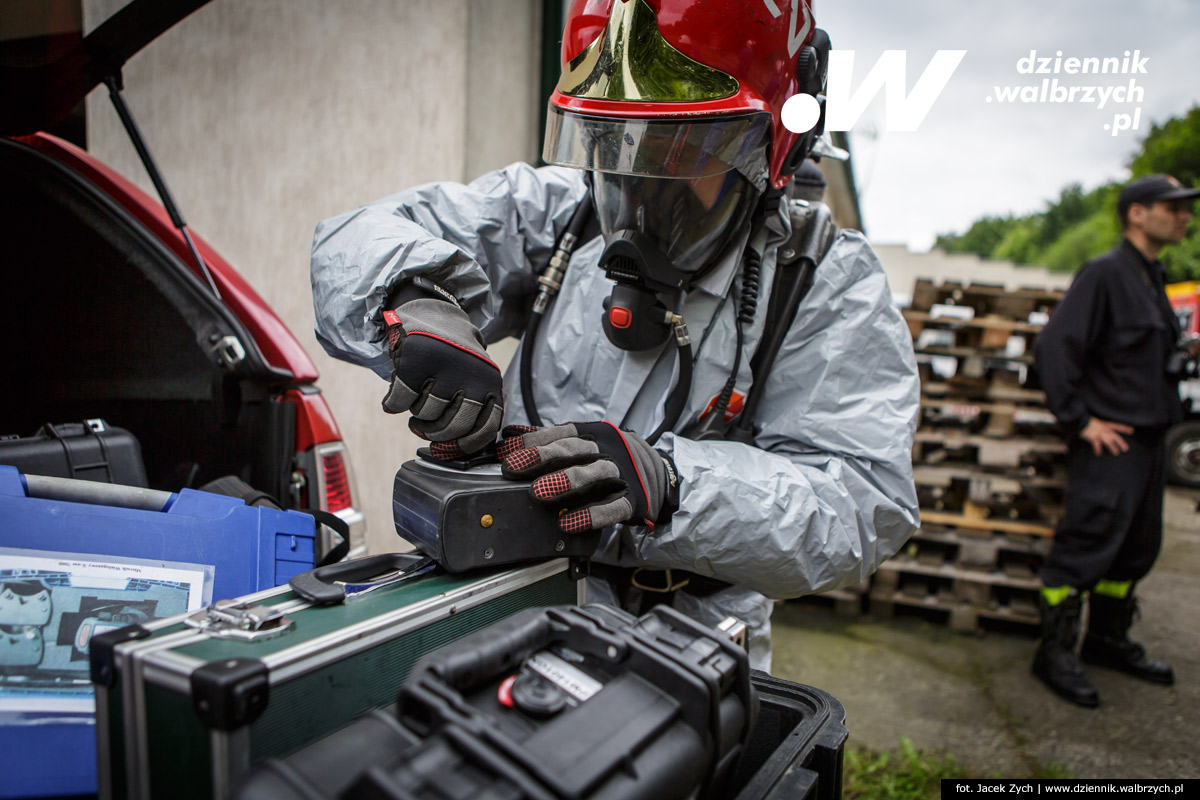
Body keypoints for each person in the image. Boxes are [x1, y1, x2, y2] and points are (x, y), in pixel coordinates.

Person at [310, 0, 919, 672]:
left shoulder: (821, 279)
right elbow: (357, 236)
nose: (638, 197)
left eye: (684, 154)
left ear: (771, 146)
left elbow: (861, 501)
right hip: (509, 601)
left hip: (693, 643)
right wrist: (415, 300)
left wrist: (675, 484)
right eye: (617, 146)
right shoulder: (562, 214)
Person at [1032, 174, 1200, 707]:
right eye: (1173, 208)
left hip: (1151, 441)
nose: (1185, 217)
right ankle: (1053, 653)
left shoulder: (1151, 275)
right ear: (1137, 213)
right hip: (1112, 446)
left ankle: (1107, 640)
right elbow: (1055, 349)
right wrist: (1082, 422)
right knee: (1083, 551)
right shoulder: (1105, 274)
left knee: (1135, 551)